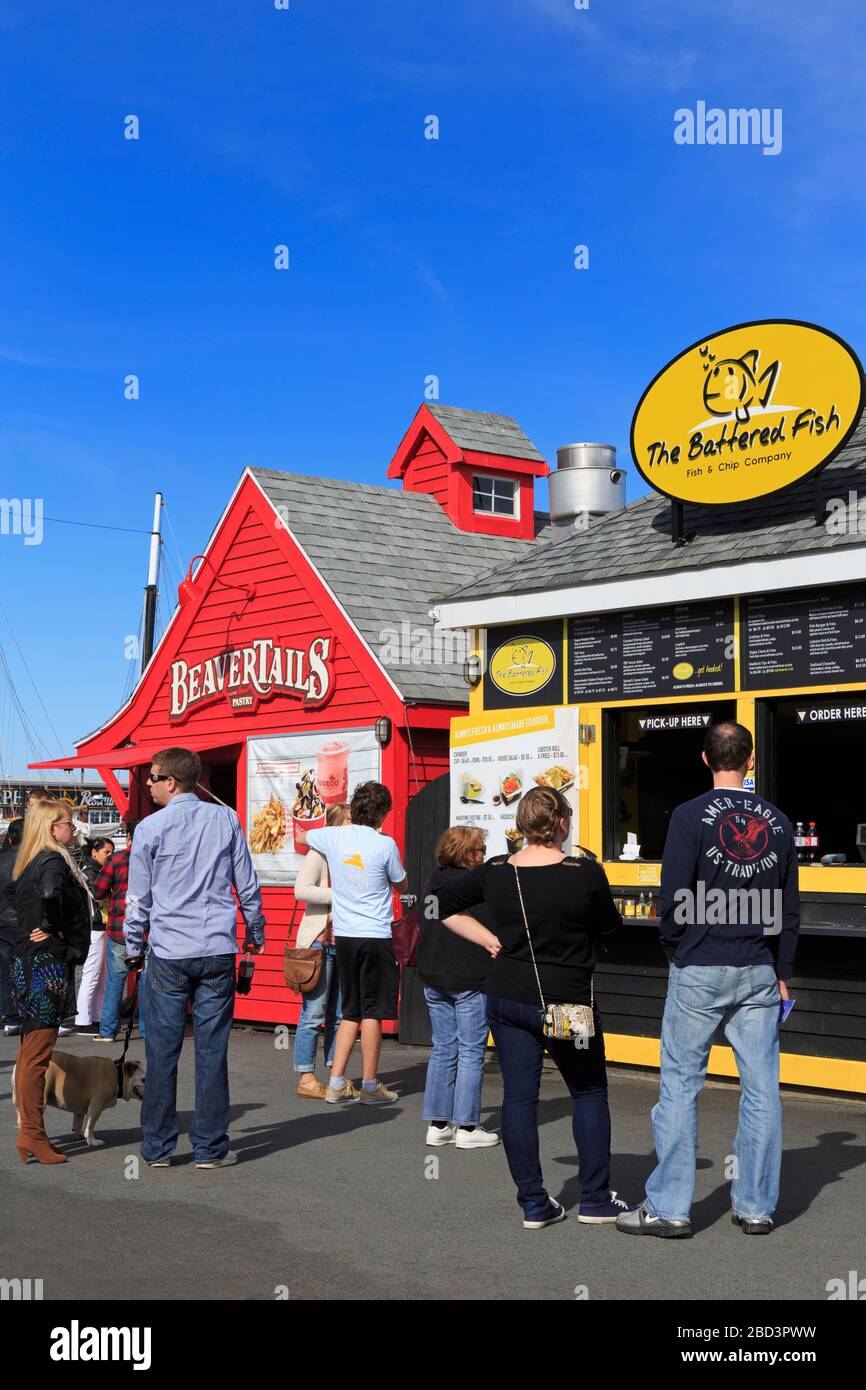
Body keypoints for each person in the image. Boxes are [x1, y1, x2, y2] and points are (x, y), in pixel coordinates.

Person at [617, 721, 800, 1240]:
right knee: (762, 1090)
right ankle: (756, 1207)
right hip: (759, 968)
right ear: (751, 761)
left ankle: (670, 1208)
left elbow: (672, 895)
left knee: (679, 1085)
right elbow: (789, 909)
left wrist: (675, 950)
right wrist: (783, 971)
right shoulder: (780, 822)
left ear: (705, 759)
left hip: (699, 962)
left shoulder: (689, 815)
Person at [438, 786, 634, 1229]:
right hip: (567, 1001)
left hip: (507, 996)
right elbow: (610, 928)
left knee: (520, 1097)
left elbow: (442, 905)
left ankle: (533, 1203)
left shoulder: (495, 870)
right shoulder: (584, 872)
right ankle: (596, 1199)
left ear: (522, 826)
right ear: (561, 821)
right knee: (587, 1091)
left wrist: (489, 938)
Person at [124, 748, 265, 1169]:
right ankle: (209, 1148)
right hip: (217, 946)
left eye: (151, 777)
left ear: (172, 781)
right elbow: (247, 882)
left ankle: (158, 1148)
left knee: (162, 1053)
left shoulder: (149, 829)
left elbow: (138, 899)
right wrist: (256, 932)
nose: (147, 784)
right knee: (211, 1051)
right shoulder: (225, 819)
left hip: (169, 951)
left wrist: (133, 948)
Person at [306, 781, 407, 1105]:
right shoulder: (385, 844)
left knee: (349, 1010)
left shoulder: (332, 836)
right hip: (376, 935)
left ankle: (335, 1082)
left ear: (354, 809)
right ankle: (370, 1085)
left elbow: (302, 836)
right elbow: (401, 882)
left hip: (345, 936)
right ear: (383, 814)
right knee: (373, 1013)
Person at [7, 799, 91, 1164]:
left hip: (28, 960)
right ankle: (32, 1135)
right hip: (46, 967)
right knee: (37, 1055)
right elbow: (48, 894)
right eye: (68, 823)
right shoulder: (53, 861)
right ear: (51, 828)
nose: (74, 828)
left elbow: (15, 896)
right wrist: (52, 927)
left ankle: (30, 1134)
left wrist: (33, 927)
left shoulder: (28, 861)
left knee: (29, 1052)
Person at [417, 825, 499, 1149]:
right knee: (470, 1051)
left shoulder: (433, 880)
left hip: (433, 976)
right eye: (479, 850)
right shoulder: (475, 885)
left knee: (443, 1048)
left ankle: (438, 1125)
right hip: (469, 978)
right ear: (466, 854)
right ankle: (466, 1127)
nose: (483, 855)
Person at [292, 802, 350, 1099]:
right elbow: (300, 889)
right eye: (351, 822)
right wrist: (339, 894)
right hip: (320, 941)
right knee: (313, 1013)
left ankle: (335, 1073)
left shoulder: (354, 856)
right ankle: (306, 1075)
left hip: (346, 942)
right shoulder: (320, 853)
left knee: (339, 1014)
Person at [92, 823, 145, 1044]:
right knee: (147, 982)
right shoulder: (158, 858)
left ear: (129, 837)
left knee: (116, 981)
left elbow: (98, 891)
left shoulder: (116, 859)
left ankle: (108, 1031)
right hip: (150, 930)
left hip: (119, 928)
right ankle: (147, 1029)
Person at [73, 836, 113, 1036]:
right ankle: (83, 1018)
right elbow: (99, 894)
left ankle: (94, 1016)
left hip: (101, 924)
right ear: (94, 852)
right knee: (92, 973)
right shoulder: (91, 872)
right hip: (95, 926)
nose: (110, 856)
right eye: (107, 852)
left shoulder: (95, 870)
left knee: (101, 974)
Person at [0, 819, 24, 1035]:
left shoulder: (2, 859)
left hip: (2, 923)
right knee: (26, 968)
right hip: (23, 922)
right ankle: (25, 1011)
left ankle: (9, 1015)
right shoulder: (30, 860)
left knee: (5, 971)